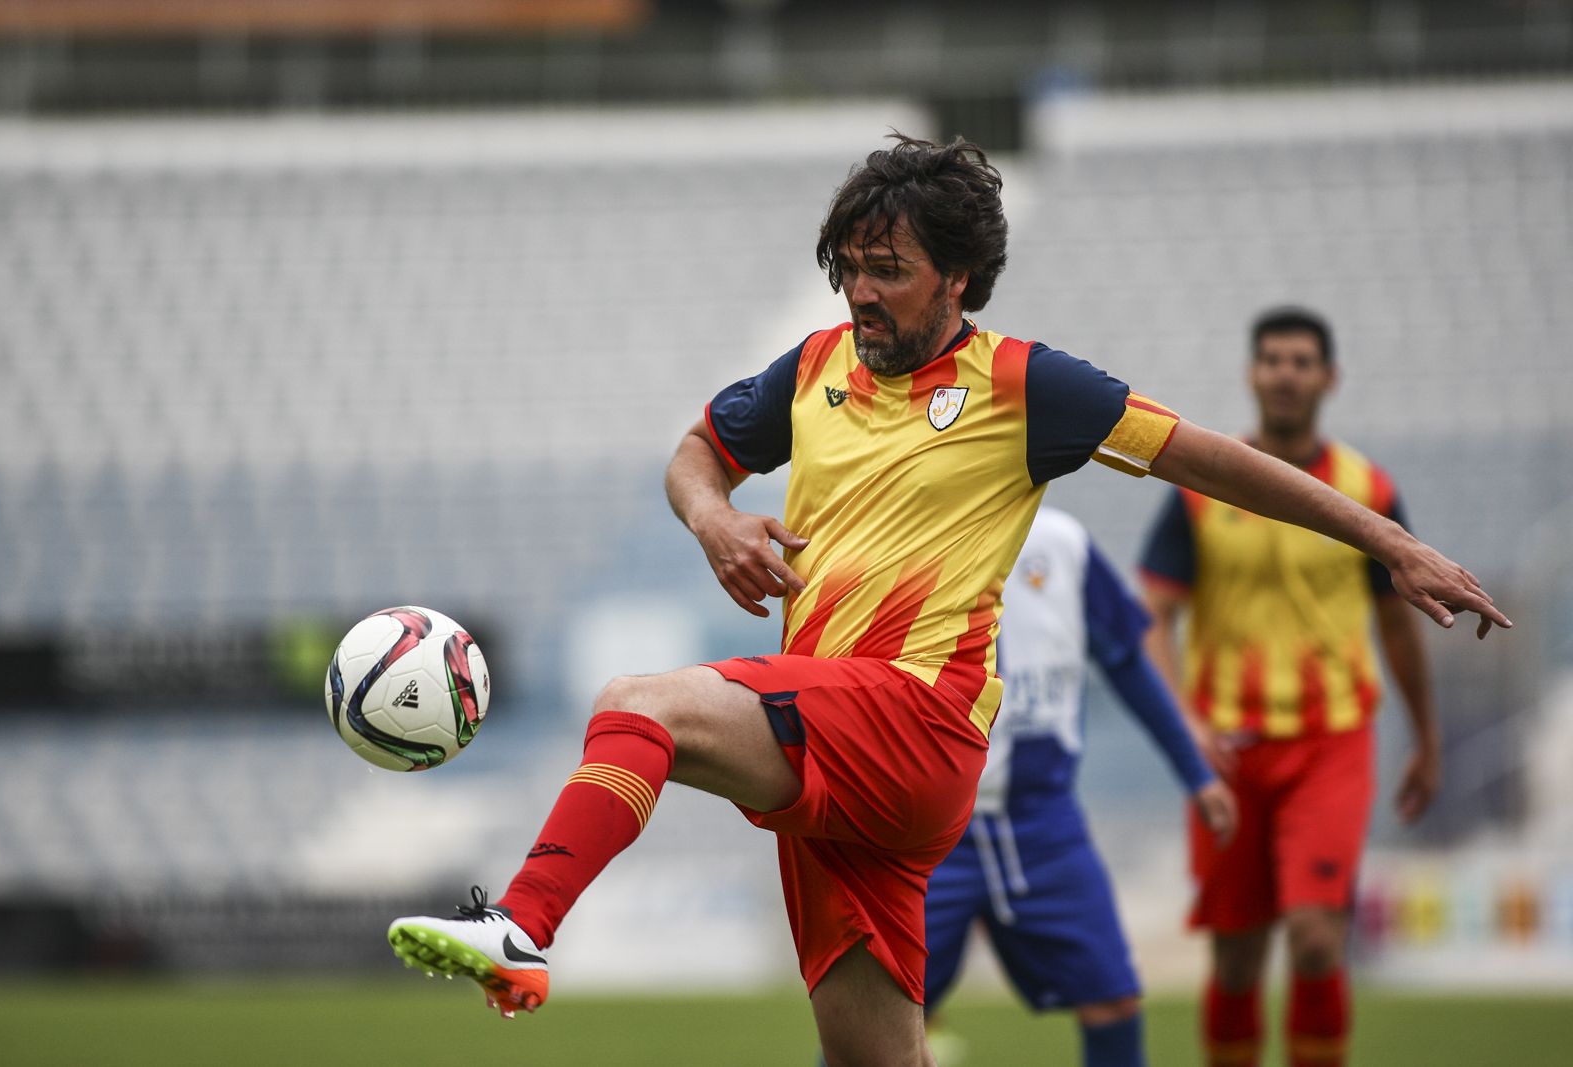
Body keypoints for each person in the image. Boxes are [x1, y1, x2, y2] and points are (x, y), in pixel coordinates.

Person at [383, 138, 1507, 1067]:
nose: (862, 291)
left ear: (959, 278)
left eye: (889, 268)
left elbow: (1207, 460)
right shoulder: (815, 364)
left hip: (916, 716)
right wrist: (715, 519)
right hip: (846, 757)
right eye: (850, 266)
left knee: (639, 703)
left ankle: (520, 924)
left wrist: (1388, 539)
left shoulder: (1024, 386)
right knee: (877, 1059)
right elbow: (694, 451)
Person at [1138, 307, 1441, 1067]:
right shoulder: (1203, 487)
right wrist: (1184, 722)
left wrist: (1427, 738)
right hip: (1228, 748)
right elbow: (1153, 616)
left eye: (1301, 361)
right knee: (1237, 961)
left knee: (1313, 940)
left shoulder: (1366, 488)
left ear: (1328, 378)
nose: (1284, 373)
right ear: (1251, 373)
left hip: (1329, 741)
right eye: (1271, 359)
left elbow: (1398, 626)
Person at [917, 508, 1236, 1067]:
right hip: (926, 831)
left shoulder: (1064, 542)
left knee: (1112, 1001)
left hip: (1044, 823)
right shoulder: (908, 533)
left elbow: (1127, 661)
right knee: (875, 1018)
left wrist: (1195, 771)